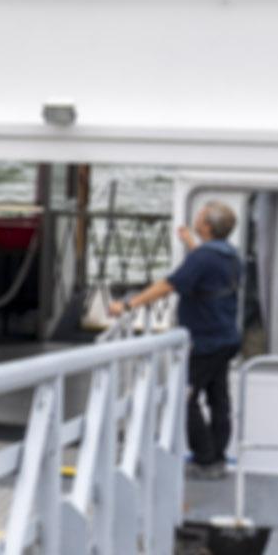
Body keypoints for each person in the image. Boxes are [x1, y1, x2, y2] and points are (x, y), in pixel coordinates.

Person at [111, 199, 244, 479]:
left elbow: (169, 284)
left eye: (200, 216)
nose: (196, 218)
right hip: (226, 338)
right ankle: (217, 458)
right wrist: (191, 243)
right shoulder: (229, 254)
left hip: (204, 341)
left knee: (184, 398)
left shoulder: (203, 257)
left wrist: (129, 305)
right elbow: (206, 267)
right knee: (219, 399)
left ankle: (205, 460)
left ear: (206, 226)